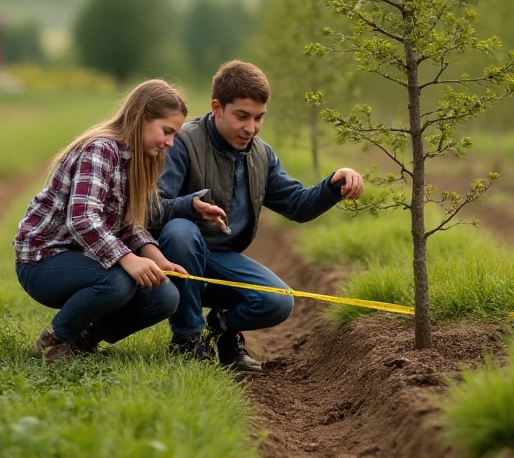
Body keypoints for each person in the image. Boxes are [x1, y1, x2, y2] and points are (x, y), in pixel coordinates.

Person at [152, 60, 364, 371]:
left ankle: (222, 331)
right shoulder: (182, 143)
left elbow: (297, 205)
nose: (250, 127)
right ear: (217, 108)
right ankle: (187, 339)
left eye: (258, 118)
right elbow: (154, 208)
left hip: (223, 259)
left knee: (278, 301)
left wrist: (333, 184)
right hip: (176, 256)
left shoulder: (261, 155)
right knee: (181, 231)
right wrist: (191, 206)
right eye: (242, 116)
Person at [14, 79, 191, 362]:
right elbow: (82, 218)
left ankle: (83, 342)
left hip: (86, 259)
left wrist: (156, 258)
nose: (170, 142)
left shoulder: (135, 160)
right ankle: (55, 339)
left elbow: (129, 225)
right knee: (119, 281)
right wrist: (127, 258)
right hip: (42, 260)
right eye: (167, 132)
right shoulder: (101, 149)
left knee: (164, 297)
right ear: (142, 118)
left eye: (175, 135)